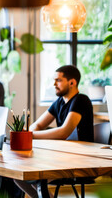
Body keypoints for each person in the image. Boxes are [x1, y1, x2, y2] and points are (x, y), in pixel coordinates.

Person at [15, 65, 93, 198]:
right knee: (17, 174)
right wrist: (27, 134)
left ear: (72, 82)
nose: (54, 84)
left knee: (33, 175)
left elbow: (64, 132)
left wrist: (30, 135)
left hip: (81, 161)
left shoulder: (81, 100)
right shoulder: (59, 102)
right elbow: (39, 124)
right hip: (62, 157)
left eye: (58, 80)